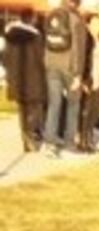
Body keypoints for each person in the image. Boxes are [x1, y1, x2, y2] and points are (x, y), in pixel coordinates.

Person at [42, 0, 87, 156]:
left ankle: (49, 142)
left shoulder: (51, 15)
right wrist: (78, 74)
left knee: (54, 104)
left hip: (51, 64)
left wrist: (47, 62)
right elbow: (79, 48)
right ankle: (69, 143)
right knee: (73, 105)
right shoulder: (76, 20)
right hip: (69, 66)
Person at [3, 9, 47, 153]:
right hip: (33, 78)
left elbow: (4, 57)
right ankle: (30, 135)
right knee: (35, 109)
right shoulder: (36, 36)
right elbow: (41, 58)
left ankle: (25, 137)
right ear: (31, 19)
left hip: (16, 78)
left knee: (22, 110)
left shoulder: (10, 36)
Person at [78, 14, 99, 153]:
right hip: (89, 80)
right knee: (87, 111)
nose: (98, 27)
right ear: (89, 25)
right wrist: (84, 80)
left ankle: (90, 140)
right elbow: (83, 61)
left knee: (95, 112)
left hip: (98, 79)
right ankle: (83, 141)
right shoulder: (87, 40)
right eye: (95, 24)